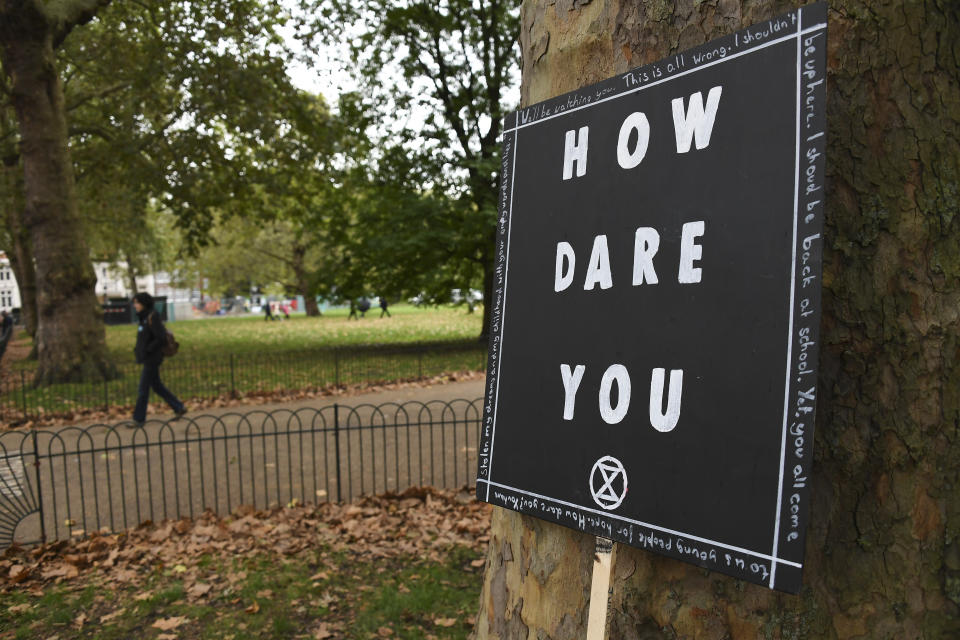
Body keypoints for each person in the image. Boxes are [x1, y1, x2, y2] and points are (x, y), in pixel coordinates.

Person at [132, 292, 186, 427]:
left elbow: (160, 337)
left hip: (152, 358)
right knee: (157, 386)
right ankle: (178, 407)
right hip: (148, 357)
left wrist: (148, 350)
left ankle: (139, 419)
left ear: (143, 303)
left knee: (143, 389)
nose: (135, 306)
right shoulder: (143, 318)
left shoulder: (152, 317)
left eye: (137, 303)